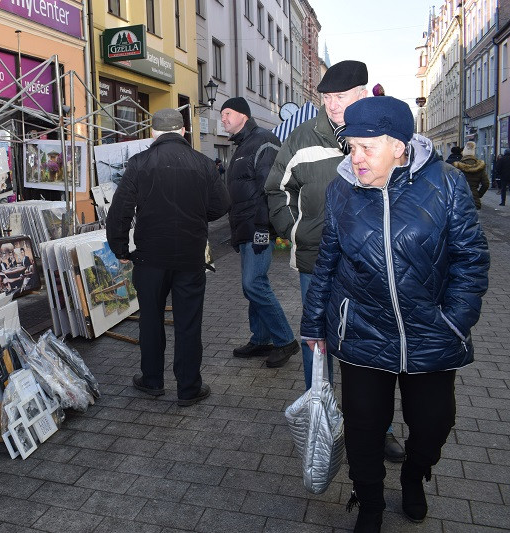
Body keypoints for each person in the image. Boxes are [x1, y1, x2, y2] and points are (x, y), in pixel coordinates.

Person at [301, 96, 489, 532]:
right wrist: (314, 325)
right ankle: (369, 501)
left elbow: (471, 258)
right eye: (352, 147)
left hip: (431, 331)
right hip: (362, 332)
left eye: (367, 147)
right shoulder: (341, 189)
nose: (356, 157)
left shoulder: (446, 183)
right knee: (364, 429)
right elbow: (327, 261)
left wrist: (454, 319)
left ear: (399, 147)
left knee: (434, 424)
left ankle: (414, 475)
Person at [265, 60, 404, 461]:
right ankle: (321, 424)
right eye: (326, 97)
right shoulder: (302, 137)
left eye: (340, 96)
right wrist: (297, 232)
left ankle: (380, 428)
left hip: (373, 264)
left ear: (362, 93)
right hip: (316, 263)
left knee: (374, 345)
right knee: (317, 342)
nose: (331, 104)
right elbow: (277, 188)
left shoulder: (385, 132)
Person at [106, 108, 230, 407]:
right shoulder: (203, 163)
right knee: (189, 323)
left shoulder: (139, 163)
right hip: (190, 255)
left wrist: (120, 249)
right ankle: (188, 388)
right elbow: (222, 204)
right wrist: (197, 216)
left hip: (150, 256)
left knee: (150, 319)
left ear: (153, 133)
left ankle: (152, 381)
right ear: (183, 131)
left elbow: (119, 212)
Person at [220, 97, 299, 367]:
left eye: (227, 113)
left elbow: (270, 188)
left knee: (254, 284)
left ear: (243, 115)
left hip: (258, 227)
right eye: (222, 115)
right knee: (253, 285)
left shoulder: (263, 141)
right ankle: (261, 339)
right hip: (246, 226)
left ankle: (285, 340)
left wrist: (262, 229)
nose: (223, 119)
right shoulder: (244, 144)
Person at [452, 141, 490, 209]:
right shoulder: (479, 167)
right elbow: (486, 184)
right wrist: (478, 194)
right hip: (474, 199)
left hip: (459, 199)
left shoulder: (457, 167)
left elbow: (450, 183)